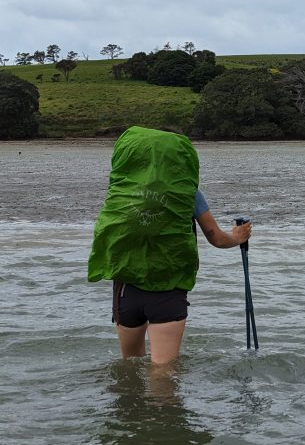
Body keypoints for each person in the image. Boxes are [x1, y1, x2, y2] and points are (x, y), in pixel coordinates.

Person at [88, 125, 252, 365]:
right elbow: (215, 237)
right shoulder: (187, 192)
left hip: (126, 289)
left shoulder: (122, 188)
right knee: (163, 373)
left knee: (129, 367)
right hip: (169, 289)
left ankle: (130, 403)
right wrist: (238, 236)